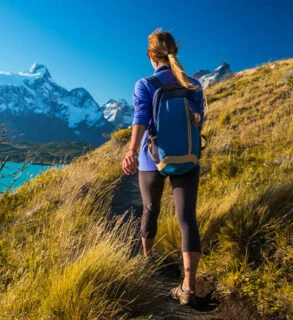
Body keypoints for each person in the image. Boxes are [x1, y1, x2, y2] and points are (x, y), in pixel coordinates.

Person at [121, 29, 204, 306]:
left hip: (151, 159)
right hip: (189, 159)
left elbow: (141, 118)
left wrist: (131, 150)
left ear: (150, 56)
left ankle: (149, 263)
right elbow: (199, 121)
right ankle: (188, 287)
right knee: (187, 218)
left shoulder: (145, 84)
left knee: (150, 209)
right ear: (174, 53)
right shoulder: (194, 85)